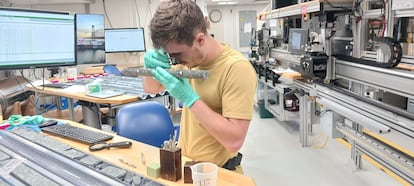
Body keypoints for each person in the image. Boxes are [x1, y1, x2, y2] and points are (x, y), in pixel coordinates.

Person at [143, 0, 257, 172]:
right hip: (185, 166)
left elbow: (234, 141)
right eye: (169, 55)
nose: (174, 61)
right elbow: (151, 89)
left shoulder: (236, 68)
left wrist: (190, 99)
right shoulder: (187, 58)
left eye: (176, 55)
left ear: (200, 40)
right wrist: (151, 68)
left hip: (218, 172)